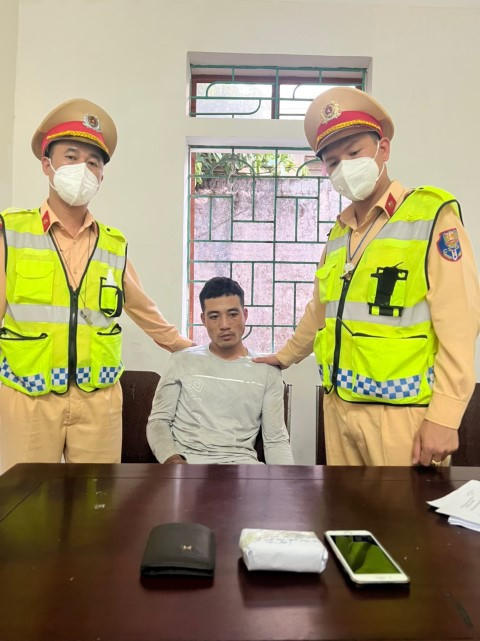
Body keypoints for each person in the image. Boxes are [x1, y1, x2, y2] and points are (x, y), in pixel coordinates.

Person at [255, 87, 479, 467]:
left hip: (403, 415)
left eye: (354, 153)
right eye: (332, 162)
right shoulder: (338, 233)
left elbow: (461, 321)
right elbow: (320, 310)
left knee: (404, 509)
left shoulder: (430, 216)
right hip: (339, 407)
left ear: (383, 149)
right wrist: (284, 356)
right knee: (345, 506)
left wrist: (445, 415)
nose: (344, 167)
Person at [0, 98, 191, 470]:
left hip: (98, 398)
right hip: (28, 393)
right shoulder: (13, 231)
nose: (83, 170)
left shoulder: (112, 244)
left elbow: (145, 311)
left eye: (93, 162)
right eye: (71, 157)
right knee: (24, 497)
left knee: (98, 497)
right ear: (47, 164)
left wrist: (195, 350)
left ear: (102, 175)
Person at [147, 277, 294, 464]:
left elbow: (275, 440)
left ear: (245, 314)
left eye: (232, 314)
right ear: (203, 319)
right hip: (187, 466)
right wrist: (173, 461)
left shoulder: (267, 371)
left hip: (242, 467)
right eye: (214, 316)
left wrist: (285, 480)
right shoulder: (181, 361)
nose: (224, 325)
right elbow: (159, 422)